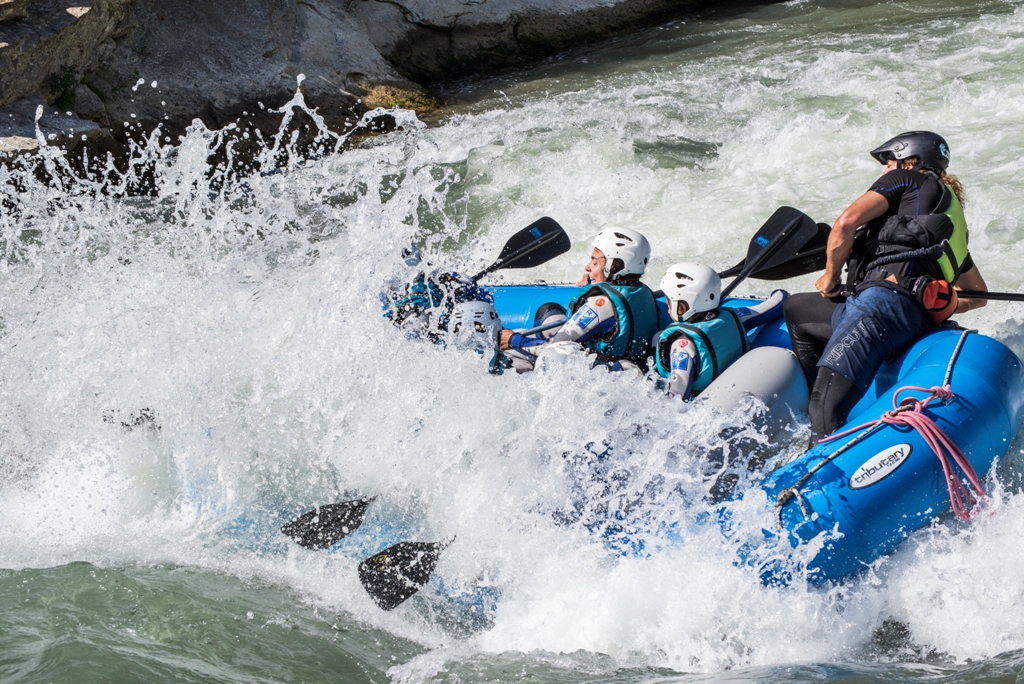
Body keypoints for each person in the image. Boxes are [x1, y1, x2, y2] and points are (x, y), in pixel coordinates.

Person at [783, 131, 988, 444]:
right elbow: (977, 293)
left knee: (825, 406)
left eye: (889, 162)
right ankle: (820, 393)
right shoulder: (949, 221)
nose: (884, 171)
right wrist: (935, 299)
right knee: (797, 309)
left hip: (878, 311)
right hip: (905, 319)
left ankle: (821, 439)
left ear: (911, 162)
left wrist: (831, 277)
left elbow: (845, 224)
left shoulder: (905, 179)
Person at [499, 228, 660, 372]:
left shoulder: (601, 305)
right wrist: (596, 280)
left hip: (599, 374)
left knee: (508, 355)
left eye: (595, 262)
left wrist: (513, 340)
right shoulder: (643, 292)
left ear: (615, 266)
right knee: (548, 311)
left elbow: (551, 348)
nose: (587, 266)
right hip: (627, 365)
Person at [654, 262, 788, 400]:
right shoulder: (736, 316)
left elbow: (676, 397)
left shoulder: (682, 345)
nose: (668, 309)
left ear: (682, 306)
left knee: (656, 339)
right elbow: (778, 302)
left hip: (706, 406)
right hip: (739, 390)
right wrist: (778, 292)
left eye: (669, 302)